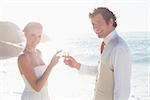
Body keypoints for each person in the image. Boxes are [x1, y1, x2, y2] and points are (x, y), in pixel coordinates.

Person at [64, 7, 132, 100]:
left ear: (111, 22)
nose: (95, 28)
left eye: (99, 23)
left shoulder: (119, 48)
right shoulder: (105, 44)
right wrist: (77, 66)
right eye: (93, 24)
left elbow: (123, 88)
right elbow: (101, 72)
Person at [17, 22, 61, 100]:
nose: (36, 40)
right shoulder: (23, 58)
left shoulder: (39, 53)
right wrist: (51, 65)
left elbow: (43, 81)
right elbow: (37, 87)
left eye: (39, 36)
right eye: (32, 35)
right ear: (26, 34)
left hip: (45, 96)